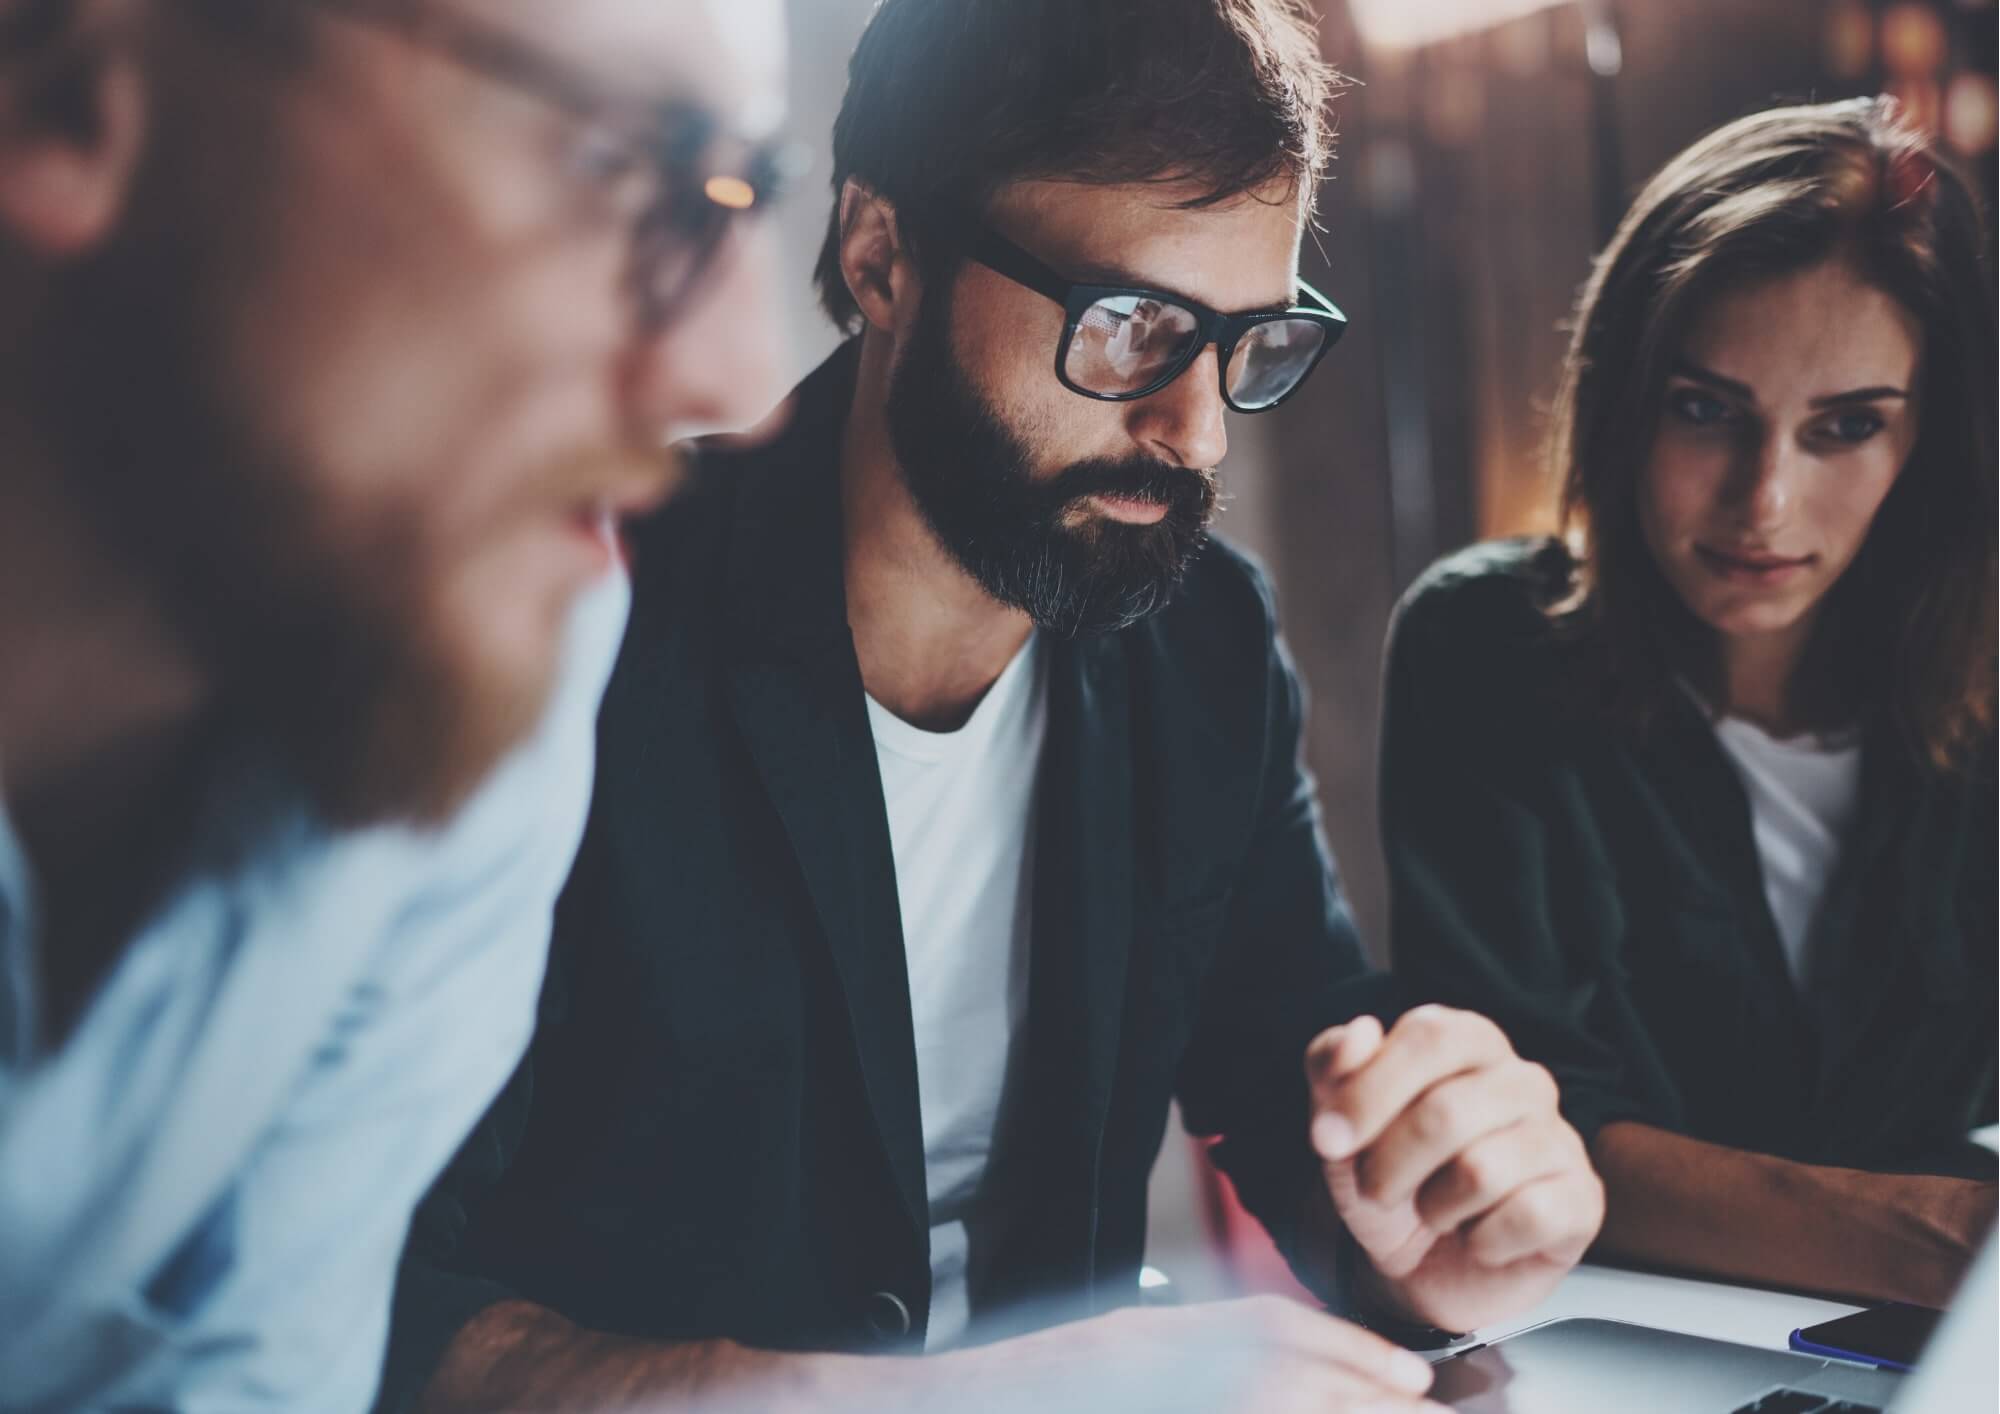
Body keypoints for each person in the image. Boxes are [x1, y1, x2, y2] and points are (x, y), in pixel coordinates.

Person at [381, 3, 1605, 1411]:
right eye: (1133, 323)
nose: (1197, 429)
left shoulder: (1200, 636)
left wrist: (1434, 1218)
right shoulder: (572, 626)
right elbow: (377, 1294)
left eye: (1245, 340)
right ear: (881, 256)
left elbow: (1300, 1084)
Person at [0, 0, 793, 1407]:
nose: (736, 379)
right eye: (623, 157)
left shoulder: (482, 661)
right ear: (65, 93)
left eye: (745, 190)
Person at [1384, 97, 1996, 1310]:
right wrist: (1939, 1241)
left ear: (1931, 439)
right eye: (1706, 408)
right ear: (1621, 397)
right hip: (1612, 1344)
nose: (1762, 503)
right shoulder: (1484, 648)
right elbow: (1525, 1143)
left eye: (1846, 426)